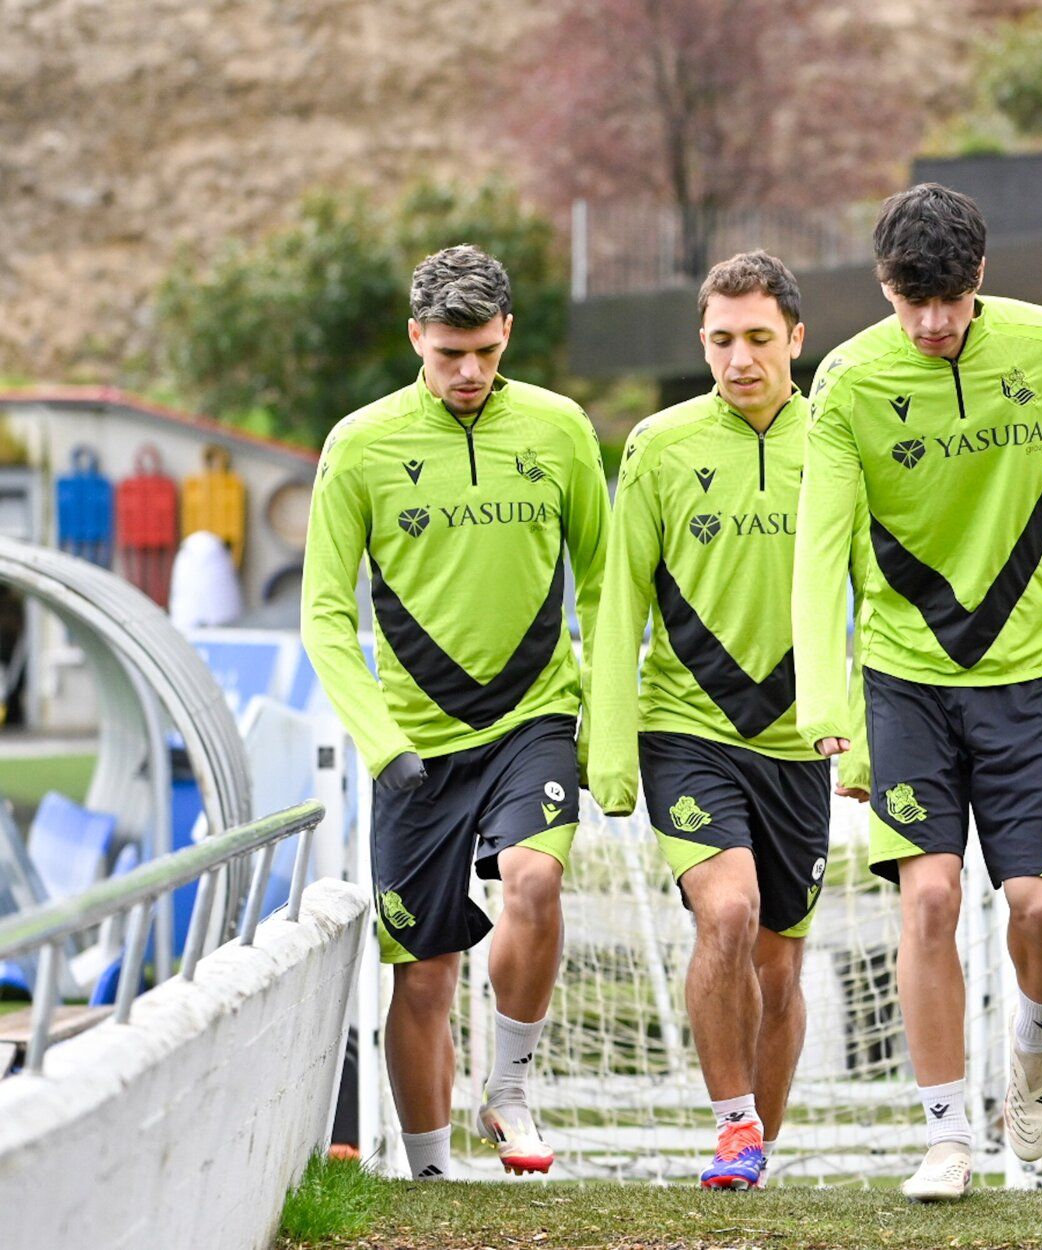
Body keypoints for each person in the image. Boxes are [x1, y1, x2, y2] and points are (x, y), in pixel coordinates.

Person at [791, 183, 1042, 1202]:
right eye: (909, 300)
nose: (932, 323)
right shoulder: (846, 380)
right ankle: (944, 1133)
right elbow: (819, 549)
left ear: (980, 278)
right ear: (884, 287)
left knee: (1038, 906)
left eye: (949, 298)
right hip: (903, 681)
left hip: (1027, 680)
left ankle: (1030, 1048)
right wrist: (827, 702)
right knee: (928, 895)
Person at [302, 244, 608, 1180]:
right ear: (415, 341)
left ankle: (509, 1090)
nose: (468, 372)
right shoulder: (360, 445)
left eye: (481, 350)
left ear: (507, 332)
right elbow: (321, 612)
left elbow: (601, 583)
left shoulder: (560, 430)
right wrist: (380, 739)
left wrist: (602, 718)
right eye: (447, 354)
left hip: (534, 722)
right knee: (423, 975)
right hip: (417, 748)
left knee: (534, 883)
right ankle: (433, 1178)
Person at [590, 250, 866, 1190]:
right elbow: (619, 600)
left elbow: (874, 595)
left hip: (799, 743)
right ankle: (733, 1124)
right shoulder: (659, 446)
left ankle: (757, 1155)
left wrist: (857, 726)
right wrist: (612, 740)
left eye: (757, 338)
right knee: (731, 910)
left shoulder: (838, 439)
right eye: (719, 340)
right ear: (700, 343)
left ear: (796, 338)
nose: (739, 359)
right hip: (688, 729)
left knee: (782, 967)